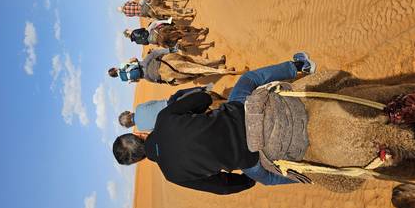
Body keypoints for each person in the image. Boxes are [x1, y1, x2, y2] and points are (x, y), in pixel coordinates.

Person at [112, 53, 317, 194]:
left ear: (138, 161)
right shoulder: (163, 118)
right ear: (138, 134)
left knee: (269, 179)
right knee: (249, 78)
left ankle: (309, 175)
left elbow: (223, 187)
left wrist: (247, 180)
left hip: (249, 158)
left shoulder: (172, 175)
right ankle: (299, 65)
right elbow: (204, 100)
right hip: (240, 114)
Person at [118, 85, 225, 132]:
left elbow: (155, 128)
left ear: (130, 125)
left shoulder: (141, 128)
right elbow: (154, 102)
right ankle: (202, 89)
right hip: (169, 105)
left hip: (170, 120)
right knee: (180, 92)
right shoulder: (138, 108)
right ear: (128, 114)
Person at [108, 48, 242, 85]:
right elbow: (136, 59)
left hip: (151, 76)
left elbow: (155, 81)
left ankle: (218, 68)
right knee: (190, 60)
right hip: (149, 63)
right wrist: (169, 51)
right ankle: (219, 64)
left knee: (187, 77)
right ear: (115, 69)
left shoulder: (127, 78)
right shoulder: (123, 65)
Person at [123, 18, 212, 50]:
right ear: (128, 32)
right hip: (149, 33)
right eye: (128, 30)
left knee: (170, 45)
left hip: (153, 41)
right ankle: (168, 21)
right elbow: (143, 29)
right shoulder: (134, 32)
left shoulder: (136, 42)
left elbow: (146, 43)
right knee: (155, 22)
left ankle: (177, 45)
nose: (129, 30)